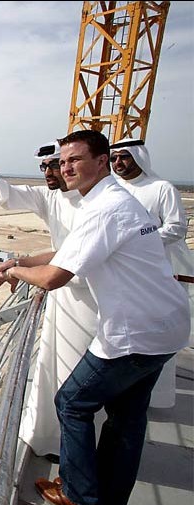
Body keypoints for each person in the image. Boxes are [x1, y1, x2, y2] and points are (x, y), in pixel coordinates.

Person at [0, 130, 189, 505]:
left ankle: (80, 496)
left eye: (75, 160)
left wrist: (14, 270)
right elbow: (68, 250)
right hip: (167, 326)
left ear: (102, 161)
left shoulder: (105, 208)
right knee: (127, 418)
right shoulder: (111, 201)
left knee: (72, 402)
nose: (65, 168)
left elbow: (52, 278)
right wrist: (21, 262)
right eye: (62, 161)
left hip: (136, 333)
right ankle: (109, 504)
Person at [0, 141, 100, 459]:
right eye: (46, 167)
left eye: (57, 165)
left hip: (91, 302)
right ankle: (51, 442)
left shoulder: (97, 205)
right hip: (63, 299)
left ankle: (75, 459)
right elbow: (17, 196)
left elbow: (65, 266)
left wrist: (16, 270)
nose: (51, 173)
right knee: (54, 371)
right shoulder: (52, 196)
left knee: (79, 383)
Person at [109, 137, 194, 408]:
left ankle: (153, 399)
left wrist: (138, 241)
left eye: (124, 157)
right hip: (124, 276)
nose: (118, 163)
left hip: (159, 274)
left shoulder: (161, 188)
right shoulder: (112, 190)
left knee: (156, 338)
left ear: (139, 157)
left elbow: (176, 228)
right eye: (113, 158)